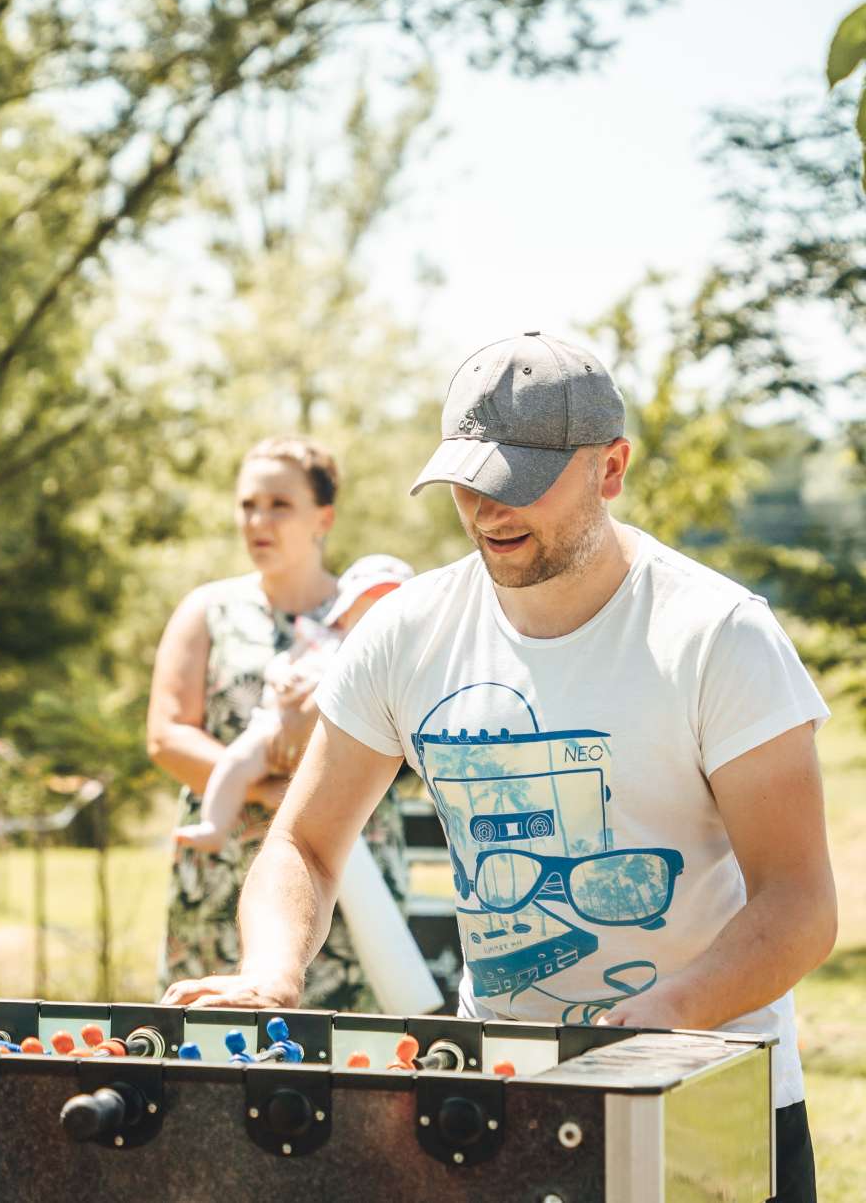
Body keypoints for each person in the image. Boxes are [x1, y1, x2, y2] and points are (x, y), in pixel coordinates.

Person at [163, 333, 836, 1202]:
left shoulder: (718, 637)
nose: (488, 511)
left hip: (708, 1093)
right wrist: (271, 971)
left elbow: (799, 903)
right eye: (467, 481)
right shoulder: (406, 632)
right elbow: (306, 843)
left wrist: (662, 1015)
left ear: (612, 468)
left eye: (519, 483)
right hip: (496, 1105)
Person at [148, 437, 410, 1009]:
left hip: (347, 865)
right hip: (223, 872)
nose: (258, 520)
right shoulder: (207, 610)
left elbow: (408, 737)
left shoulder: (376, 613)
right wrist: (271, 792)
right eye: (248, 504)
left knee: (349, 1068)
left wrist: (315, 801)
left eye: (279, 505)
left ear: (324, 517)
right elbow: (167, 735)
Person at [174, 554, 414, 853]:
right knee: (234, 763)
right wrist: (282, 677)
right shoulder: (323, 640)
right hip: (273, 730)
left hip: (341, 749)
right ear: (344, 616)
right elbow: (281, 661)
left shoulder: (397, 668)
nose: (376, 625)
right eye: (365, 613)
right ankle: (214, 825)